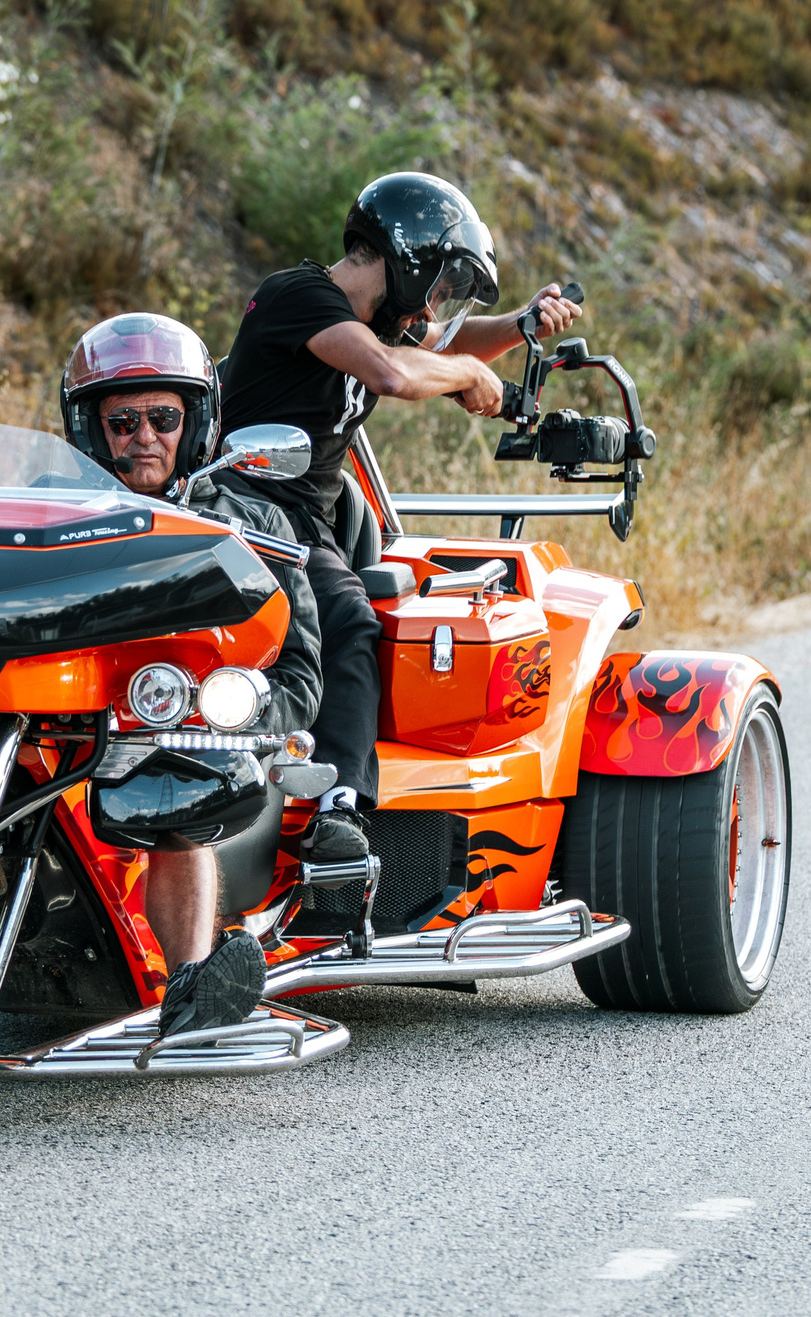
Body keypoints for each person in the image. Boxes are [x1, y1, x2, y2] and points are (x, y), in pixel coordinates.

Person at [217, 172, 583, 863]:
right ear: (409, 259)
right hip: (246, 513)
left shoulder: (372, 321)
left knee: (371, 605)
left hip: (302, 524)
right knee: (348, 618)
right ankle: (340, 814)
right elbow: (393, 372)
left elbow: (441, 345)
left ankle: (334, 800)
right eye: (441, 284)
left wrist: (523, 327)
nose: (436, 306)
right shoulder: (301, 297)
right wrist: (473, 380)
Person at [60, 311, 323, 1039]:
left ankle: (192, 985)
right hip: (71, 731)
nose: (144, 437)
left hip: (200, 736)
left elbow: (300, 674)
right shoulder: (55, 522)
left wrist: (223, 711)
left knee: (175, 787)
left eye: (164, 418)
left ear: (196, 419)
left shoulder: (251, 528)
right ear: (91, 429)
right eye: (122, 422)